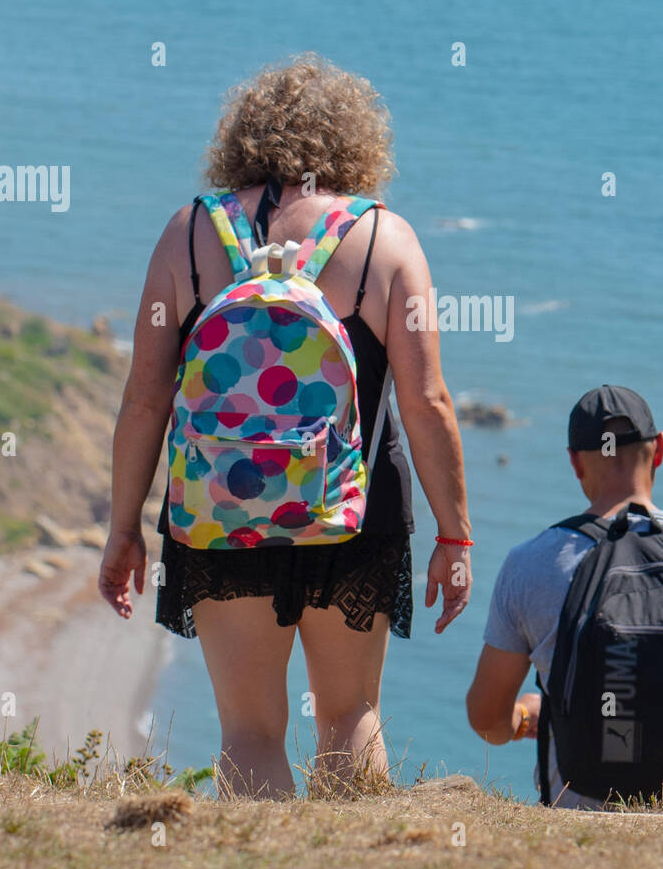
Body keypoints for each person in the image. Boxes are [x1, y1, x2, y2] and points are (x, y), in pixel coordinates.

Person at [98, 53, 473, 797]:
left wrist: (123, 531)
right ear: (357, 143)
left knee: (248, 729)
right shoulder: (384, 242)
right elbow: (426, 400)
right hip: (351, 507)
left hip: (219, 504)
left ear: (238, 141)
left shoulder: (190, 235)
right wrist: (454, 535)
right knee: (349, 714)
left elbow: (145, 398)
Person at [466, 385, 663, 812]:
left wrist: (522, 719)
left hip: (576, 820)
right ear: (659, 449)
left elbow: (486, 718)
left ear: (575, 462)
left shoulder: (530, 563)